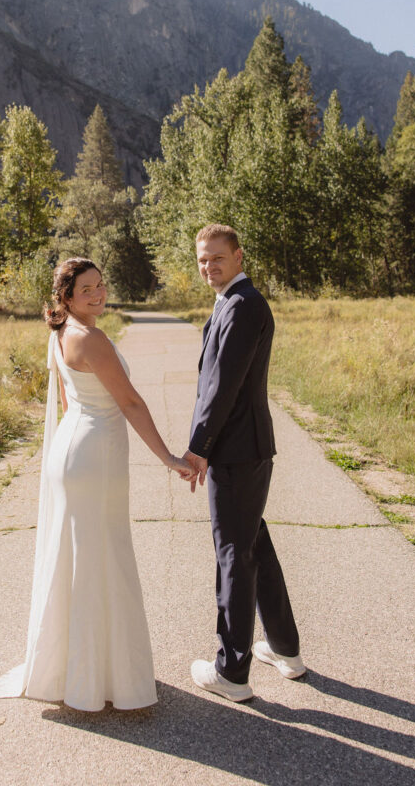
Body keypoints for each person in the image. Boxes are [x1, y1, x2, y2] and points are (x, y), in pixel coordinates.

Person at [0, 257, 194, 711]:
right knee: (103, 559)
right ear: (66, 297)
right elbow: (131, 404)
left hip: (73, 449)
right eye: (86, 289)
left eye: (100, 284)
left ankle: (83, 670)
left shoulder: (61, 335)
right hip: (94, 456)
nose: (97, 293)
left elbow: (66, 399)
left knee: (80, 559)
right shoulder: (90, 338)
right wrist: (168, 458)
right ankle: (100, 675)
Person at [183, 224, 305, 702]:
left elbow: (223, 387)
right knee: (254, 544)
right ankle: (285, 650)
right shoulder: (233, 302)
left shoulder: (244, 304)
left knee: (233, 553)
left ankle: (232, 672)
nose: (209, 267)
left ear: (237, 256)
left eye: (217, 258)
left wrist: (199, 448)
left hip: (236, 450)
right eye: (202, 261)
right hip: (244, 448)